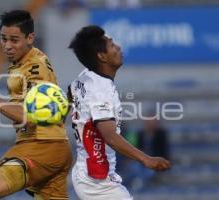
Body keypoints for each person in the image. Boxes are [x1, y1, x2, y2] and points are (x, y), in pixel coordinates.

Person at [0, 10, 72, 200]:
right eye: (3, 39)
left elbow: (28, 115)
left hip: (41, 145)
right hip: (54, 147)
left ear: (30, 37)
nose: (7, 46)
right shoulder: (26, 62)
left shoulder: (34, 67)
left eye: (14, 40)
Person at [68, 25, 171, 200]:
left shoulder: (85, 75)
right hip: (97, 182)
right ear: (101, 56)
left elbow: (71, 92)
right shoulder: (100, 90)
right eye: (112, 45)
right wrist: (146, 159)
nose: (118, 47)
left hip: (88, 172)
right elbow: (110, 136)